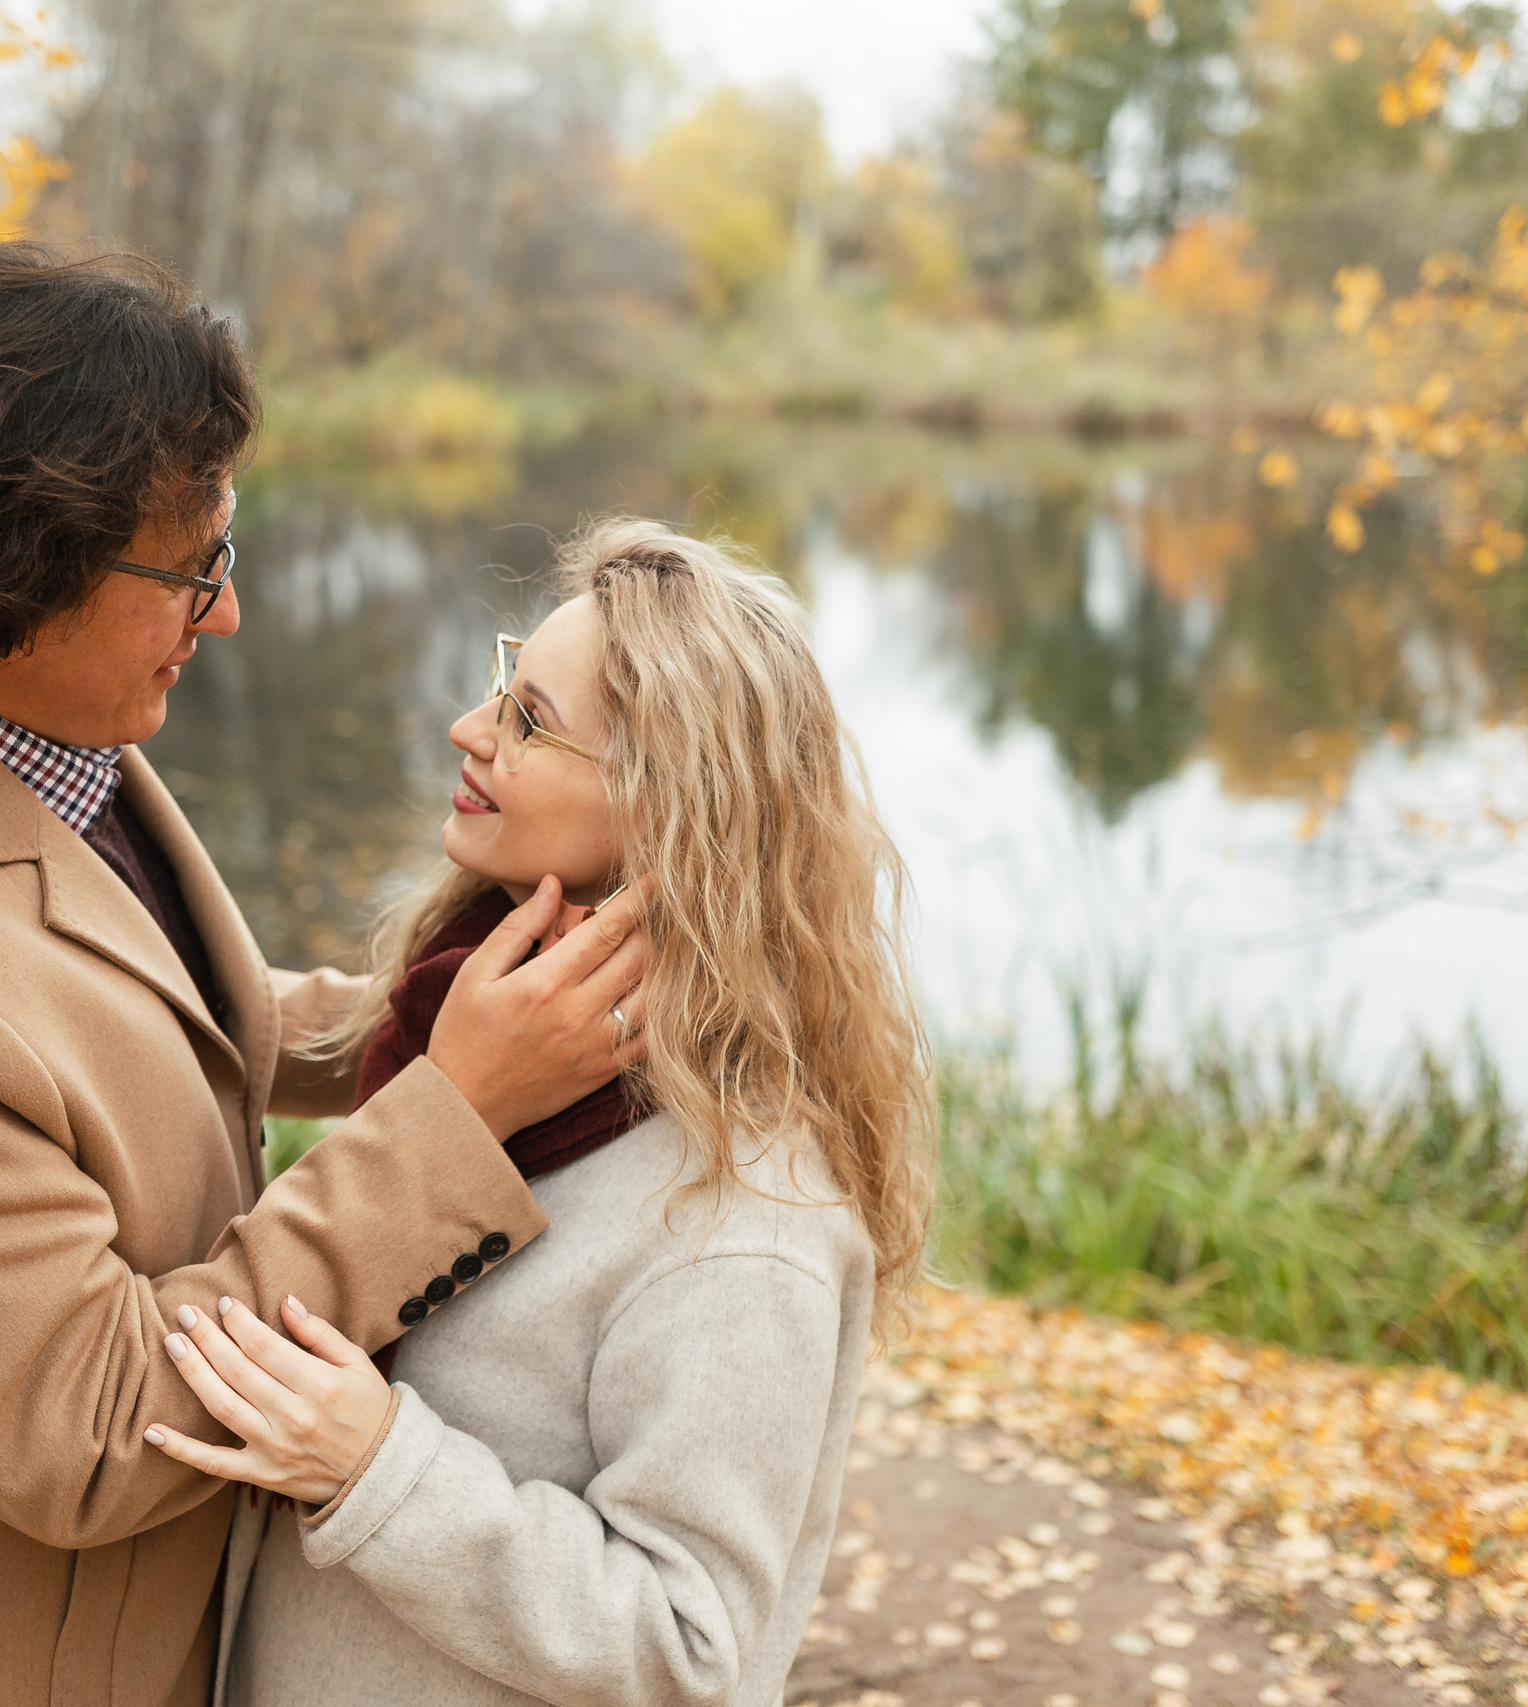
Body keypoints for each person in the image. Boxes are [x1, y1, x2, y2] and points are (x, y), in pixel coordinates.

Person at [0, 242, 644, 1706]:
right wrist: (457, 1113)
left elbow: (123, 1007)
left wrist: (428, 1018)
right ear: (14, 570)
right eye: (193, 569)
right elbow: (88, 1425)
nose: (224, 611)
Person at [136, 519, 939, 1707]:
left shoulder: (738, 1219)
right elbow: (297, 1031)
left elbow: (692, 1650)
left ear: (673, 807)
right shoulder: (468, 1027)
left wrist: (376, 1468)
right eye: (502, 685)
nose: (471, 729)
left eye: (528, 721)